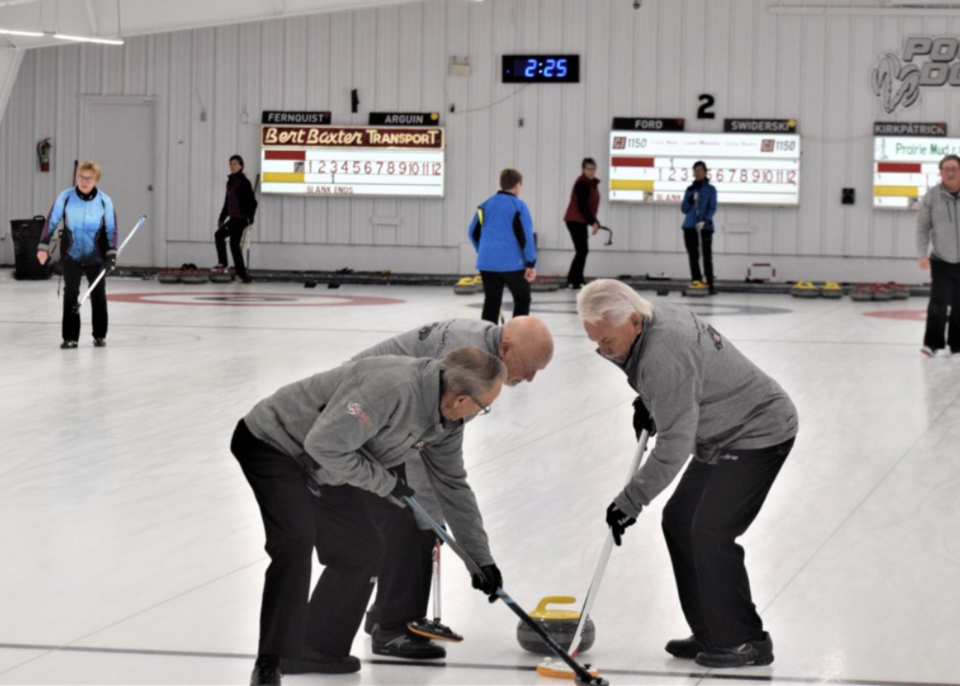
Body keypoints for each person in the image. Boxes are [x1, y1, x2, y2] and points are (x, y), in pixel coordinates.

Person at [233, 347, 507, 686]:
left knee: (362, 550)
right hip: (276, 444)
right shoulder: (390, 386)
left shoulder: (447, 423)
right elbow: (325, 445)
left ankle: (314, 648)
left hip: (331, 465)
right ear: (461, 398)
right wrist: (386, 483)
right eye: (485, 406)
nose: (481, 412)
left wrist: (479, 560)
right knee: (294, 540)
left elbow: (452, 485)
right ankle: (271, 660)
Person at [576, 279, 798, 668]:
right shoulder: (652, 317)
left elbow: (675, 445)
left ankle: (746, 640)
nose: (603, 350)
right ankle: (712, 631)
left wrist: (630, 500)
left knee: (711, 529)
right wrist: (649, 400)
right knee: (680, 520)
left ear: (632, 320)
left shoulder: (664, 353)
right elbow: (682, 382)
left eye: (607, 341)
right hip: (719, 432)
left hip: (758, 431)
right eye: (595, 342)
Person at [352, 317, 554, 659]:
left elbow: (449, 477)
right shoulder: (466, 370)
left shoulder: (481, 367)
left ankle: (384, 614)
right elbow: (428, 464)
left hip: (389, 419)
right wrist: (437, 526)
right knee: (413, 519)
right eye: (529, 367)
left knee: (421, 518)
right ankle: (393, 629)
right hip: (364, 415)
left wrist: (479, 559)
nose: (531, 378)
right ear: (505, 348)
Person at [36, 161, 118, 349]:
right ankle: (70, 338)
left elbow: (112, 229)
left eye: (89, 178)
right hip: (71, 254)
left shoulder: (105, 201)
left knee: (98, 293)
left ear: (96, 180)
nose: (84, 181)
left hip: (96, 256)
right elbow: (51, 221)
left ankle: (99, 335)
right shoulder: (65, 197)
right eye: (81, 177)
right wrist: (43, 247)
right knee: (71, 293)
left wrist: (111, 254)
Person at [469, 168, 537, 323]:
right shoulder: (519, 206)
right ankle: (517, 337)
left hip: (487, 263)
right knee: (522, 299)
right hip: (513, 264)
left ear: (502, 184)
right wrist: (531, 262)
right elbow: (526, 237)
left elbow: (472, 233)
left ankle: (486, 339)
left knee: (491, 302)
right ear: (518, 185)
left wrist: (482, 251)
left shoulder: (485, 205)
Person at [916, 153, 960, 357]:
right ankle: (932, 343)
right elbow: (922, 227)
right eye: (947, 169)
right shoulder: (932, 197)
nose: (951, 172)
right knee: (938, 303)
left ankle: (957, 344)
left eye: (955, 168)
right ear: (941, 173)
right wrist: (921, 254)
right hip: (941, 259)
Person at [215, 154, 257, 283]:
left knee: (219, 235)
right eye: (230, 163)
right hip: (234, 217)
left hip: (240, 218)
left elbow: (253, 202)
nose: (232, 166)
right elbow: (227, 202)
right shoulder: (230, 181)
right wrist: (221, 218)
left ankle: (223, 263)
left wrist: (250, 217)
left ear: (241, 166)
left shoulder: (244, 182)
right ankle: (243, 275)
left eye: (235, 163)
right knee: (234, 245)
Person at [680, 161, 718, 295]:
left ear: (705, 172)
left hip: (705, 226)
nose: (698, 173)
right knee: (693, 255)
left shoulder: (710, 189)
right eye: (696, 170)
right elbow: (684, 209)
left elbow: (712, 207)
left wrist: (704, 220)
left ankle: (710, 284)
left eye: (700, 170)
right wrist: (691, 199)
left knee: (707, 256)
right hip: (690, 226)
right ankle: (696, 280)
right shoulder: (690, 190)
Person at [563, 157, 601, 289]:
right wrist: (594, 222)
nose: (591, 171)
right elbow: (583, 206)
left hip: (579, 220)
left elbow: (587, 208)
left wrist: (594, 221)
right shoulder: (583, 184)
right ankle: (573, 280)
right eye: (588, 169)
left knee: (582, 250)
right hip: (575, 220)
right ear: (583, 169)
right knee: (582, 250)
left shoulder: (590, 183)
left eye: (593, 168)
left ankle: (576, 279)